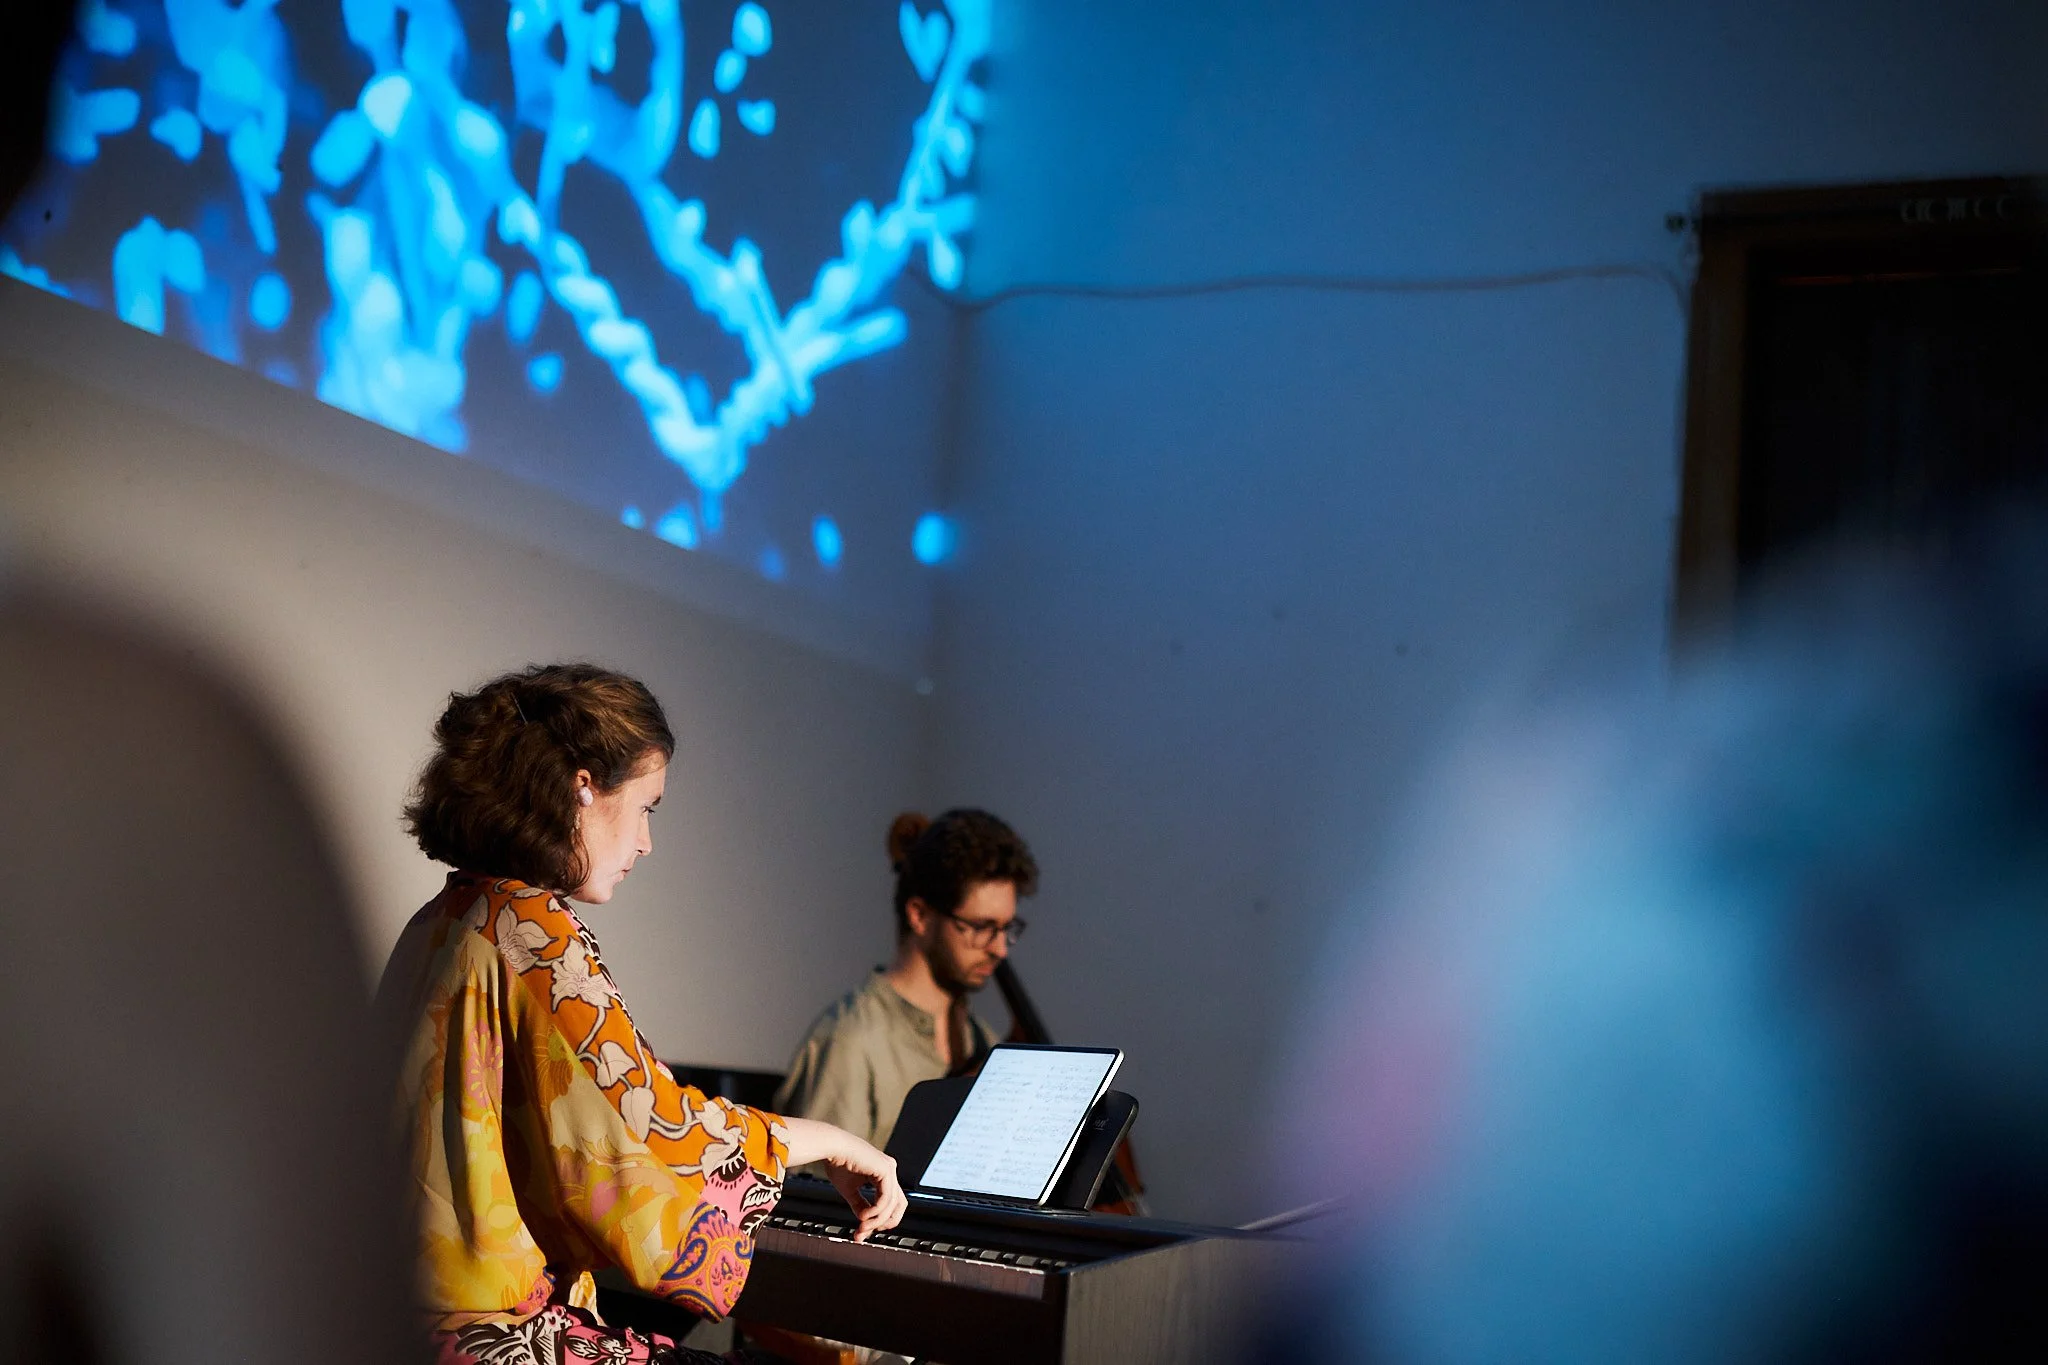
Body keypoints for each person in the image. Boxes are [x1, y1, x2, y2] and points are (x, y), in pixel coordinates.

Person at [378, 663, 906, 1365]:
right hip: (491, 1340)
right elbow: (649, 1136)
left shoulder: (441, 918)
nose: (647, 842)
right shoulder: (529, 928)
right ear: (583, 785)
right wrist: (830, 1141)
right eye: (647, 806)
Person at [774, 809, 1039, 1151]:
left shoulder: (981, 1039)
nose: (1000, 949)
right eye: (981, 928)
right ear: (919, 915)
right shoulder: (851, 1040)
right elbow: (819, 1196)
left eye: (1007, 928)